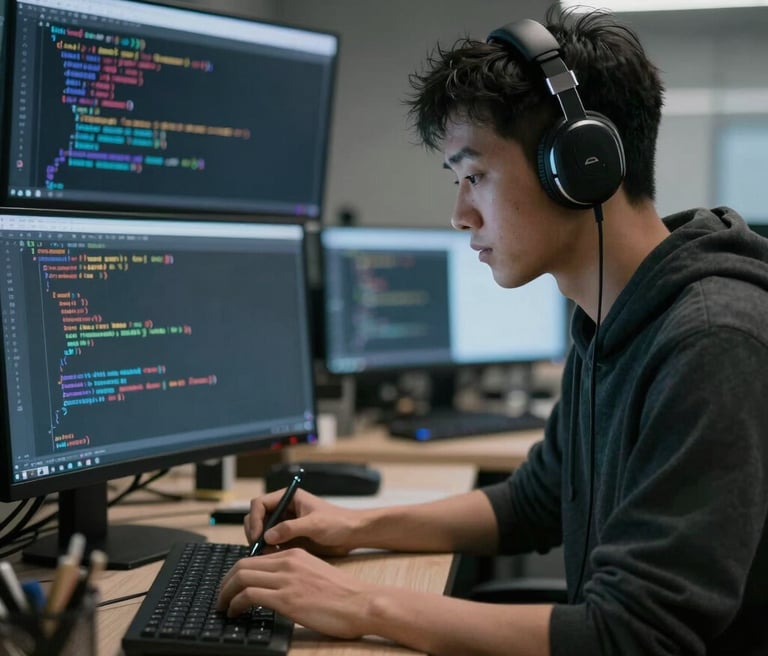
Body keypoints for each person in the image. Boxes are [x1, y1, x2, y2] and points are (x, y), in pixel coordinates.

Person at [217, 5, 768, 655]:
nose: (459, 215)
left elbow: (636, 634)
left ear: (582, 166)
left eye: (474, 175)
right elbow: (534, 501)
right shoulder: (615, 318)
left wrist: (362, 603)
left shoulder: (710, 342)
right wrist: (354, 525)